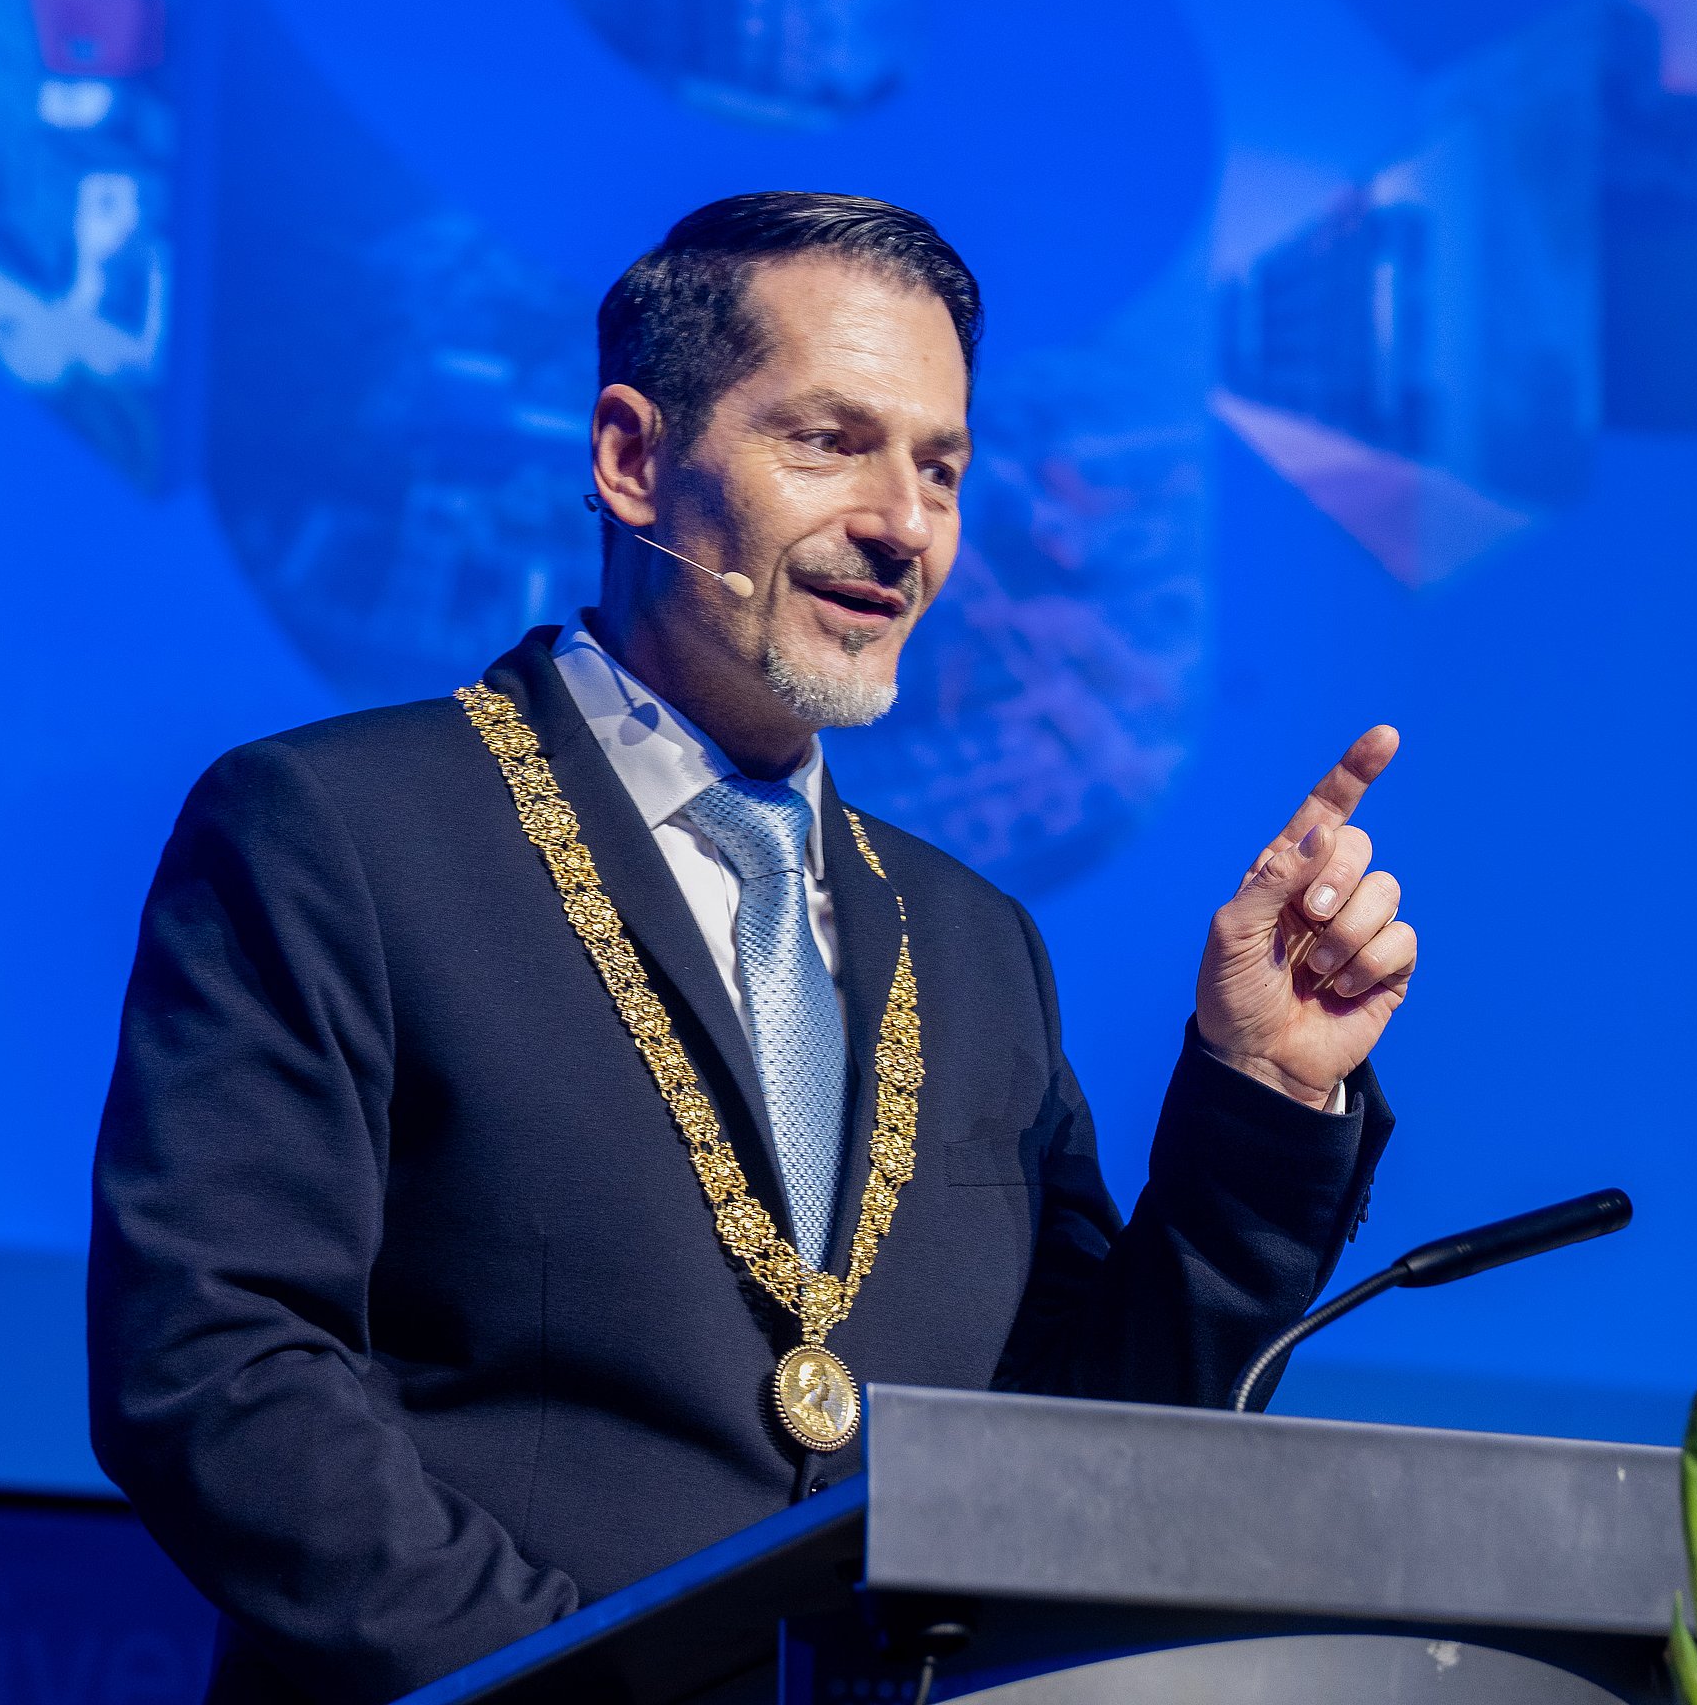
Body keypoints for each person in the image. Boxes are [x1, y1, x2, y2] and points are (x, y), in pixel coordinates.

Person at [90, 193, 1414, 1705]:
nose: (902, 525)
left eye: (940, 468)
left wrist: (1260, 1093)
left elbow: (1083, 1462)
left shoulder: (977, 947)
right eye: (830, 442)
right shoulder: (341, 832)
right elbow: (220, 1366)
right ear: (630, 459)